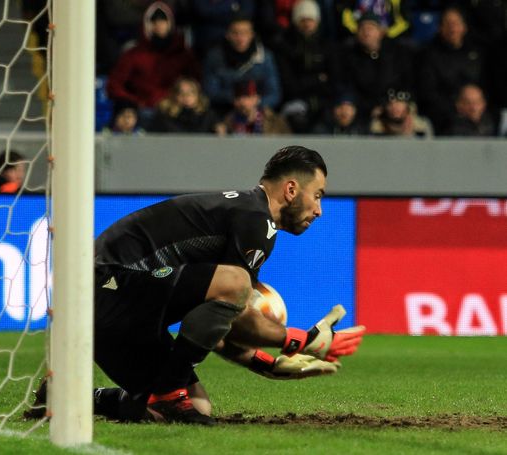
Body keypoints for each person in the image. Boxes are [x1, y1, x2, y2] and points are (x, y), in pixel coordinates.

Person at [24, 146, 366, 424]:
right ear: (291, 189)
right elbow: (235, 301)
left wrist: (265, 362)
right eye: (317, 195)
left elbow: (213, 327)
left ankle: (69, 395)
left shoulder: (247, 215)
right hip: (106, 286)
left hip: (125, 309)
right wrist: (301, 340)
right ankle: (171, 391)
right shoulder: (255, 220)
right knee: (236, 283)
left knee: (196, 408)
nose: (319, 209)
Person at [106, 2, 200, 120]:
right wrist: (134, 102)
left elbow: (196, 81)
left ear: (170, 24)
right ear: (147, 25)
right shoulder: (133, 54)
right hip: (145, 109)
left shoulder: (183, 54)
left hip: (177, 108)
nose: (159, 26)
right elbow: (114, 85)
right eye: (154, 22)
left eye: (163, 22)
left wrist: (183, 98)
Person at [416, 6, 486, 133]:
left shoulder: (476, 52)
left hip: (477, 110)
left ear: (464, 27)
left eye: (456, 23)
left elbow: (486, 84)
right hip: (444, 114)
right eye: (448, 24)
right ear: (440, 28)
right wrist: (456, 107)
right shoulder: (429, 55)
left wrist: (475, 105)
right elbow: (428, 92)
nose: (453, 28)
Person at [333, 11, 414, 118]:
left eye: (371, 28)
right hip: (363, 112)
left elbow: (405, 83)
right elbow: (349, 89)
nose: (366, 32)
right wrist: (369, 108)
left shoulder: (395, 54)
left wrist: (395, 103)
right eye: (362, 28)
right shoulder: (349, 57)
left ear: (380, 32)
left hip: (393, 108)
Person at [274, 0, 337, 133]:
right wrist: (318, 79)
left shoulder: (327, 46)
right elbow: (290, 85)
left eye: (310, 20)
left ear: (317, 21)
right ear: (296, 21)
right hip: (295, 102)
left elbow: (335, 80)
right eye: (303, 20)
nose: (307, 24)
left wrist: (304, 81)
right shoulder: (286, 46)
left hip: (324, 102)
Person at [202, 15, 282, 115]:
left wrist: (256, 101)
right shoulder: (214, 57)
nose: (240, 38)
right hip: (224, 111)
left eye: (245, 32)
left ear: (252, 34)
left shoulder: (265, 57)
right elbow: (210, 93)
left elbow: (275, 94)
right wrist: (235, 100)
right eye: (235, 33)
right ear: (227, 34)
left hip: (259, 111)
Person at [149, 78, 225, 134]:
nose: (186, 96)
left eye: (191, 92)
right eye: (181, 93)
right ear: (174, 95)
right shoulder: (164, 116)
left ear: (198, 95)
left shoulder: (208, 116)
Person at [223, 80, 292, 135]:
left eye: (247, 96)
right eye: (238, 97)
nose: (242, 102)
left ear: (256, 98)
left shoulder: (275, 122)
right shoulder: (228, 123)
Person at [369, 89, 434, 137]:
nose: (394, 107)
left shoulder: (421, 126)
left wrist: (409, 134)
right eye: (390, 104)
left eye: (399, 102)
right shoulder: (378, 125)